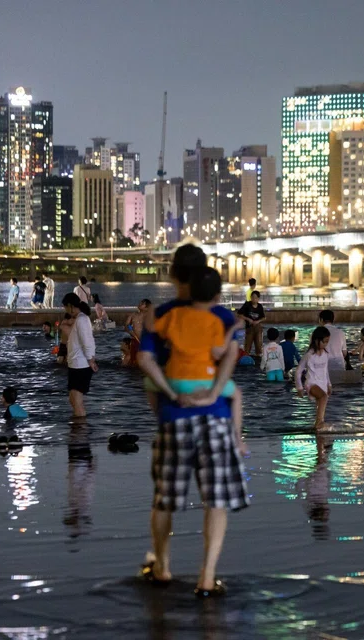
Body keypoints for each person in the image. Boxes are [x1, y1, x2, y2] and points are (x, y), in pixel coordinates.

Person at [137, 244, 249, 598]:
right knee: (215, 500)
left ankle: (162, 567)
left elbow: (145, 361)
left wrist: (170, 396)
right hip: (216, 416)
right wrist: (216, 393)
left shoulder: (164, 315)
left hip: (174, 417)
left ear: (172, 275)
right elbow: (227, 354)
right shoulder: (222, 316)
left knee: (164, 498)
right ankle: (207, 576)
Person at [152, 266, 237, 399]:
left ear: (189, 292)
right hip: (204, 379)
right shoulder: (215, 321)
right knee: (236, 394)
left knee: (149, 383)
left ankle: (166, 406)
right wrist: (233, 329)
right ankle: (207, 401)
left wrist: (150, 311)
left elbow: (153, 328)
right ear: (217, 297)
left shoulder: (174, 314)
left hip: (174, 378)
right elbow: (218, 352)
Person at [62, 293, 97, 417]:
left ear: (71, 306)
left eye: (65, 307)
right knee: (73, 399)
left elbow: (87, 341)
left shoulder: (82, 319)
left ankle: (80, 431)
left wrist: (91, 360)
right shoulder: (79, 319)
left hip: (81, 365)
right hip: (75, 364)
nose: (65, 311)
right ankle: (77, 429)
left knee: (77, 401)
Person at [296, 326, 332, 430]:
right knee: (323, 397)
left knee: (321, 403)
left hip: (322, 383)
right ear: (316, 340)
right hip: (311, 384)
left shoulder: (325, 354)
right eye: (324, 341)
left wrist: (329, 384)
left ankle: (318, 425)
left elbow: (326, 371)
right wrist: (299, 388)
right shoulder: (309, 355)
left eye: (327, 342)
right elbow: (299, 371)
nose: (326, 344)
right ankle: (319, 423)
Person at [237, 291, 265, 358]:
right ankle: (246, 358)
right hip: (249, 328)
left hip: (258, 328)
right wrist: (248, 319)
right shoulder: (247, 305)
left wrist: (257, 321)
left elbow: (264, 317)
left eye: (255, 297)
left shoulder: (260, 306)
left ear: (258, 298)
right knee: (247, 346)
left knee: (259, 345)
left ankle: (258, 358)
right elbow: (239, 314)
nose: (254, 299)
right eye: (252, 297)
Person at [124, 299, 150, 368]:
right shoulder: (133, 315)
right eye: (140, 302)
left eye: (142, 303)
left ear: (147, 307)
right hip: (135, 340)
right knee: (132, 361)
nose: (140, 304)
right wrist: (130, 330)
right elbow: (126, 325)